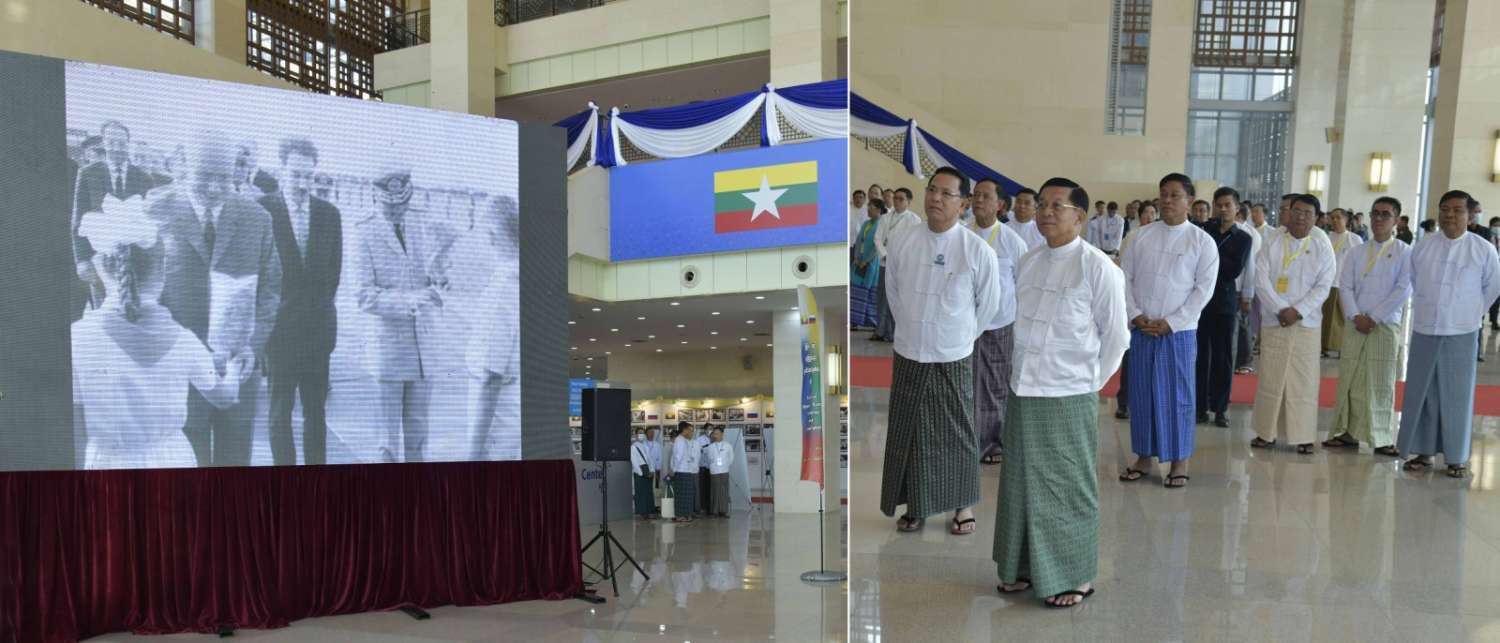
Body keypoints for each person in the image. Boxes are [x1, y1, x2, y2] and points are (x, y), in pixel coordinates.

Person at [993, 176, 1128, 609]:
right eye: (1042, 205)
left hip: (1069, 393)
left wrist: (1087, 383)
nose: (1046, 212)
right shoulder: (1029, 260)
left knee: (1068, 485)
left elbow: (1117, 338)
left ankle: (1075, 575)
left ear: (1080, 216)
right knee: (1020, 481)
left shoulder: (1098, 267)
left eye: (1057, 206)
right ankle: (1021, 567)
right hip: (1023, 388)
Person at [72, 193, 244, 469]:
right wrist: (234, 367)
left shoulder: (78, 338)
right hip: (171, 461)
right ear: (163, 272)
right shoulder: (183, 340)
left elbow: (75, 425)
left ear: (103, 268)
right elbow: (225, 397)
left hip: (107, 464)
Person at [880, 167, 1000, 535]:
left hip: (953, 355)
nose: (935, 198)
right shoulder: (903, 240)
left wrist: (958, 337)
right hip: (909, 351)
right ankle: (917, 505)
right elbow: (893, 292)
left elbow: (988, 306)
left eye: (947, 193)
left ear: (963, 204)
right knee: (911, 431)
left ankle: (962, 506)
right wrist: (912, 329)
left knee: (957, 432)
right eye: (932, 190)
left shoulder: (976, 249)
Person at [152, 134, 281, 467]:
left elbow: (270, 290)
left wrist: (254, 345)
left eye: (222, 178)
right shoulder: (155, 211)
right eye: (204, 176)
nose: (213, 188)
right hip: (178, 369)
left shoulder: (258, 218)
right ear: (184, 168)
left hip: (238, 367)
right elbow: (143, 291)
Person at [1119, 173, 1217, 488]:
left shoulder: (1201, 241)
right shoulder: (1139, 236)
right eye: (1164, 194)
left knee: (1178, 398)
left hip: (1179, 332)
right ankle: (1143, 457)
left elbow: (1203, 291)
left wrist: (1172, 322)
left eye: (1175, 195)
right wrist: (1135, 315)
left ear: (1190, 201)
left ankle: (1179, 461)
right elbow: (1124, 279)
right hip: (1142, 328)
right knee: (1142, 394)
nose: (1167, 200)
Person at [353, 161, 453, 463]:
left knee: (419, 441)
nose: (397, 210)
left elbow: (436, 273)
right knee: (386, 446)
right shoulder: (363, 232)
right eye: (390, 206)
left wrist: (441, 280)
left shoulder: (422, 223)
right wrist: (413, 300)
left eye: (403, 204)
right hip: (388, 353)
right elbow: (364, 296)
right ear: (376, 197)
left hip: (424, 350)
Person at [1397, 190, 1500, 478]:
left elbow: (1493, 287)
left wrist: (1471, 312)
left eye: (1457, 210)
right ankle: (1423, 452)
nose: (1450, 215)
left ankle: (1457, 457)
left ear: (1470, 215)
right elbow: (1415, 280)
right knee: (1423, 392)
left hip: (1461, 330)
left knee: (1457, 395)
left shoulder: (1483, 249)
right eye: (1445, 209)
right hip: (1426, 328)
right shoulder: (1424, 247)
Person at [258, 138, 342, 466]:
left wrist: (319, 318)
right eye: (295, 174)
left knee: (316, 414)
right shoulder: (263, 210)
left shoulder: (330, 214)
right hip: (279, 333)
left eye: (308, 175)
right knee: (279, 413)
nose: (303, 183)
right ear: (281, 170)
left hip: (318, 334)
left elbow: (332, 276)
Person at [1322, 197, 1411, 457]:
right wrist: (1355, 315)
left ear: (1396, 220)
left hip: (1385, 324)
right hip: (1355, 322)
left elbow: (1404, 289)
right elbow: (1345, 285)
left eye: (1386, 214)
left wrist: (1375, 317)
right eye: (1375, 213)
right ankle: (1347, 432)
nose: (1379, 219)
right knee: (1350, 377)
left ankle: (1381, 438)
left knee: (1381, 381)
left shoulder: (1405, 252)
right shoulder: (1357, 251)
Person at [1251, 194, 1337, 455]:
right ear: (1288, 213)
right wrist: (1280, 308)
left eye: (1307, 213)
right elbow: (1260, 279)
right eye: (1296, 211)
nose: (1300, 217)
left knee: (1304, 380)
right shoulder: (1273, 241)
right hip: (1275, 320)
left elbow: (1324, 286)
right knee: (1271, 377)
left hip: (1306, 323)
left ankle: (1303, 436)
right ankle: (1266, 433)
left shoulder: (1322, 245)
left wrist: (1298, 311)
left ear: (1317, 218)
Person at [967, 178, 1029, 464]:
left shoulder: (1012, 242)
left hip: (999, 325)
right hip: (965, 326)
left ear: (1001, 205)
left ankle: (993, 443)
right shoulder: (962, 234)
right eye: (975, 195)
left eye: (986, 196)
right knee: (966, 384)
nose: (978, 200)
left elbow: (1023, 287)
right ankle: (969, 440)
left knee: (995, 384)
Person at [73, 121, 155, 323]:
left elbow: (152, 222)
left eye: (122, 143)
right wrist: (82, 261)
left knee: (136, 320)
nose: (117, 148)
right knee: (105, 319)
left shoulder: (144, 178)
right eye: (111, 143)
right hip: (101, 262)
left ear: (128, 143)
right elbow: (78, 218)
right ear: (104, 144)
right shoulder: (88, 173)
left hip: (137, 263)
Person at [465, 196, 521, 460]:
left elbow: (490, 377)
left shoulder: (502, 288)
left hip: (497, 437)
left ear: (491, 235)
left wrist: (473, 452)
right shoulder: (528, 282)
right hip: (517, 430)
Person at [1195, 187, 1254, 427]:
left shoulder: (1243, 238)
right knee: (1200, 357)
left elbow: (1233, 270)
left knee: (1223, 357)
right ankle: (1199, 407)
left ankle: (1220, 408)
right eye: (1218, 205)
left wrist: (1209, 263)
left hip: (1225, 303)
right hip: (1199, 302)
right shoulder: (1203, 231)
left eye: (1227, 205)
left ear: (1237, 208)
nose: (1222, 209)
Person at [1113, 201, 1157, 420]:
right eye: (1146, 213)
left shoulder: (1161, 236)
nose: (1150, 216)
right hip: (1134, 307)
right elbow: (1122, 270)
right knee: (1131, 359)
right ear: (1140, 217)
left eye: (1153, 213)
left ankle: (1149, 403)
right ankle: (1124, 403)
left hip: (1157, 309)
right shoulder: (1133, 237)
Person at [872, 188, 920, 342]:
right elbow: (877, 238)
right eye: (895, 198)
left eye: (901, 199)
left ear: (908, 202)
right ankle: (880, 331)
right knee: (882, 298)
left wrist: (899, 258)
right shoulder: (885, 218)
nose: (897, 201)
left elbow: (915, 244)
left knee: (898, 299)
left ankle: (895, 333)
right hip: (885, 263)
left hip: (903, 266)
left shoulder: (914, 220)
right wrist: (885, 255)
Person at [1322, 209, 1363, 357]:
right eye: (1332, 218)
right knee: (1326, 317)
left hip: (1344, 284)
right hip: (1326, 283)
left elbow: (1360, 263)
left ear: (1346, 220)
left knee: (1342, 318)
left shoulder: (1354, 239)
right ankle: (1324, 346)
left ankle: (1341, 347)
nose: (1334, 220)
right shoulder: (1326, 237)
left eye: (1338, 217)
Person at [1233, 203, 1263, 375]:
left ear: (1238, 214)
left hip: (1242, 285)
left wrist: (1247, 294)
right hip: (1230, 286)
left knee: (1243, 325)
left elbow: (1251, 265)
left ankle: (1245, 360)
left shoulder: (1248, 233)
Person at [851, 199, 886, 329]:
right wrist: (856, 257)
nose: (868, 209)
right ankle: (854, 321)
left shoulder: (882, 224)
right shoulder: (866, 223)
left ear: (878, 209)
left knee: (869, 290)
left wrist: (866, 260)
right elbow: (859, 240)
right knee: (855, 290)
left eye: (870, 207)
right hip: (858, 261)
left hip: (871, 262)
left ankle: (871, 322)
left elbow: (877, 246)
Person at [669, 422, 700, 523]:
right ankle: (682, 515)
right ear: (684, 430)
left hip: (686, 471)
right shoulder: (679, 441)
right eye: (690, 431)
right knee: (682, 495)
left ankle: (686, 515)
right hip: (681, 471)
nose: (691, 433)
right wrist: (673, 469)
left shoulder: (683, 440)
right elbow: (678, 457)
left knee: (686, 495)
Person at [704, 428, 734, 517]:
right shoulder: (710, 447)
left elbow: (731, 458)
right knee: (715, 490)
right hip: (714, 471)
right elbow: (708, 459)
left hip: (724, 470)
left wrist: (725, 465)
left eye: (717, 433)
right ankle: (714, 511)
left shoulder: (728, 445)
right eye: (714, 434)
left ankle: (723, 511)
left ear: (722, 434)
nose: (715, 435)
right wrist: (713, 466)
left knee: (724, 490)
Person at [632, 429, 658, 520]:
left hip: (648, 471)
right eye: (639, 433)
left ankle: (650, 511)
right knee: (641, 493)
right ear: (636, 435)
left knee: (649, 493)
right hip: (640, 473)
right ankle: (642, 512)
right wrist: (641, 473)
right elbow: (634, 462)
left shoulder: (645, 446)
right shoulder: (633, 447)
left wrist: (652, 470)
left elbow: (650, 459)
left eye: (642, 433)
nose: (641, 435)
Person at [696, 422, 713, 515]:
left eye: (712, 429)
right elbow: (699, 451)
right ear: (705, 430)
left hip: (711, 468)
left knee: (710, 488)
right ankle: (703, 507)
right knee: (702, 488)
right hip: (702, 467)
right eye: (709, 429)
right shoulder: (699, 439)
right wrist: (706, 448)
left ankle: (710, 507)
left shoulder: (714, 439)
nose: (710, 430)